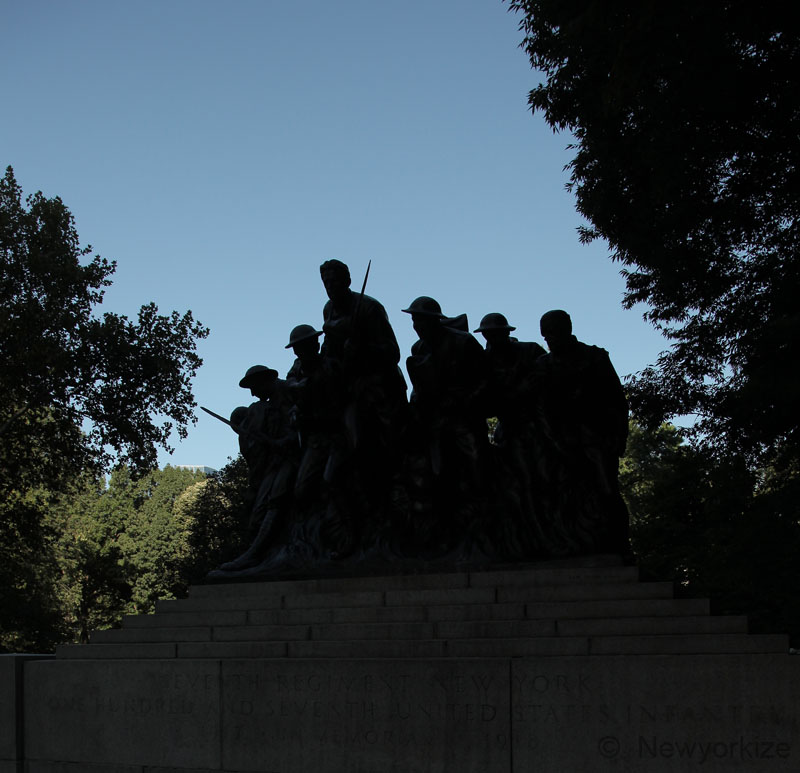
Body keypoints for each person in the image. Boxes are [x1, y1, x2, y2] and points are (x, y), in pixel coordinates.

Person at [534, 309, 631, 556]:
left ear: (568, 330)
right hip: (558, 441)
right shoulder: (543, 366)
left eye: (554, 334)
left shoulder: (594, 358)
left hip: (595, 437)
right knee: (558, 493)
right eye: (546, 337)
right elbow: (540, 408)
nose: (550, 340)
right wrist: (554, 441)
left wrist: (619, 437)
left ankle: (619, 544)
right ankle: (565, 543)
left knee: (606, 489)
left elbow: (617, 401)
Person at [319, 259, 407, 520]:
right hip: (350, 388)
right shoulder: (329, 310)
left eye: (335, 280)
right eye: (326, 282)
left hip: (381, 388)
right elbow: (330, 348)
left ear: (348, 280)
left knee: (387, 447)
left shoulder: (369, 308)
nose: (331, 286)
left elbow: (393, 353)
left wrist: (363, 349)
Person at [403, 296, 489, 554]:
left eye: (420, 320)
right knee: (439, 475)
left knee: (478, 468)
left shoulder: (463, 342)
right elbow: (418, 388)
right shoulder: (419, 350)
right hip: (436, 422)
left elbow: (486, 380)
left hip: (464, 418)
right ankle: (447, 533)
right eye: (413, 320)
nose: (416, 325)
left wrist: (465, 401)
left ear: (434, 320)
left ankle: (487, 526)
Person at [474, 313, 547, 558]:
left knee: (542, 479)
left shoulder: (530, 351)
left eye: (495, 333)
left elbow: (546, 381)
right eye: (487, 334)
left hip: (539, 426)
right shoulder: (484, 362)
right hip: (510, 430)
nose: (491, 338)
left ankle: (544, 536)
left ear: (506, 332)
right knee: (518, 485)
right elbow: (484, 401)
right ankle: (525, 538)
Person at [217, 365, 297, 571]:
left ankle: (256, 554)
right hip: (278, 460)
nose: (252, 393)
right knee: (259, 507)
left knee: (275, 497)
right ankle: (258, 553)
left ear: (264, 381)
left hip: (296, 455)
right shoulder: (266, 406)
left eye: (253, 387)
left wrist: (287, 440)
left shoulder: (289, 391)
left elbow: (306, 419)